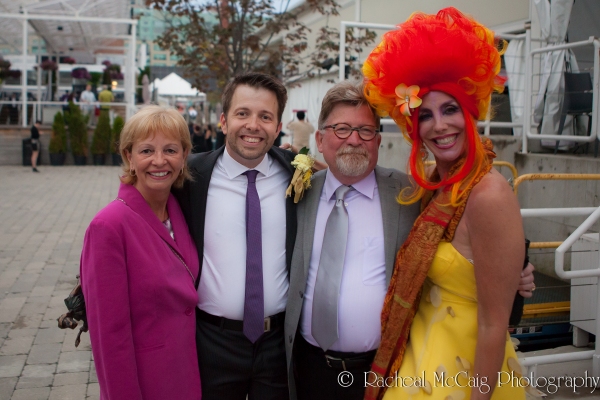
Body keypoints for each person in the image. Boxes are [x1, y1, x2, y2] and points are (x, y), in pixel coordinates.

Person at [284, 82, 535, 400]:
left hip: (389, 367)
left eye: (365, 130)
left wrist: (519, 269)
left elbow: (485, 238)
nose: (353, 139)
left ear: (378, 140)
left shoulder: (410, 193)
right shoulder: (296, 192)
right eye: (341, 128)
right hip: (309, 368)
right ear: (320, 139)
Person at [362, 8, 526, 399]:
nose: (439, 125)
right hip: (416, 361)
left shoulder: (489, 193)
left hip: (464, 373)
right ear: (412, 127)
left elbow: (493, 325)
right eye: (425, 115)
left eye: (450, 109)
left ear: (470, 113)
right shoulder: (435, 185)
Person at [173, 72, 295, 400]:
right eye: (243, 113)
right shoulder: (189, 177)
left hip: (277, 347)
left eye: (265, 116)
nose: (253, 125)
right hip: (212, 343)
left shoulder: (299, 175)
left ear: (278, 125)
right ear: (224, 121)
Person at [80, 106, 201, 400]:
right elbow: (109, 337)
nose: (159, 161)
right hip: (147, 384)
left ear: (184, 156)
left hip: (188, 377)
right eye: (147, 150)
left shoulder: (179, 211)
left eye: (170, 150)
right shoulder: (109, 226)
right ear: (129, 157)